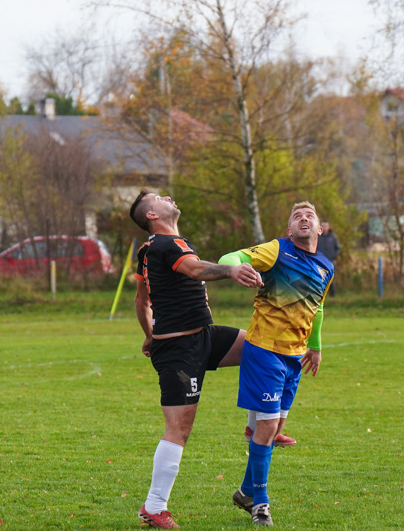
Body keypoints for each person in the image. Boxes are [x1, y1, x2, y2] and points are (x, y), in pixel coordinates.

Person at [129, 191, 263, 529]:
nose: (169, 197)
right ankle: (154, 507)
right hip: (179, 350)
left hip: (203, 336)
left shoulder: (151, 250)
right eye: (160, 197)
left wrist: (148, 333)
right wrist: (231, 271)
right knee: (179, 429)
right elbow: (194, 270)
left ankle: (254, 424)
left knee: (263, 349)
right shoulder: (164, 245)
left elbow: (142, 299)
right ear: (151, 215)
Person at [220, 201, 333, 526]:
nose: (303, 218)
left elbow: (318, 309)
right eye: (297, 216)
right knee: (268, 427)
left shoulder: (326, 266)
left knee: (274, 428)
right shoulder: (276, 250)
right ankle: (261, 503)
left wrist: (315, 346)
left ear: (319, 228)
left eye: (309, 216)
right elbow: (235, 256)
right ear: (289, 229)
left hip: (295, 356)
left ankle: (244, 491)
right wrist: (234, 267)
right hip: (264, 351)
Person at [316, 220, 340, 295]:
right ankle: (321, 297)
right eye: (322, 226)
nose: (324, 228)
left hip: (330, 262)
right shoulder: (317, 237)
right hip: (319, 262)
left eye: (326, 226)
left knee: (331, 279)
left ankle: (332, 296)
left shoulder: (333, 237)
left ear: (328, 227)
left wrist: (334, 257)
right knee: (319, 279)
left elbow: (338, 248)